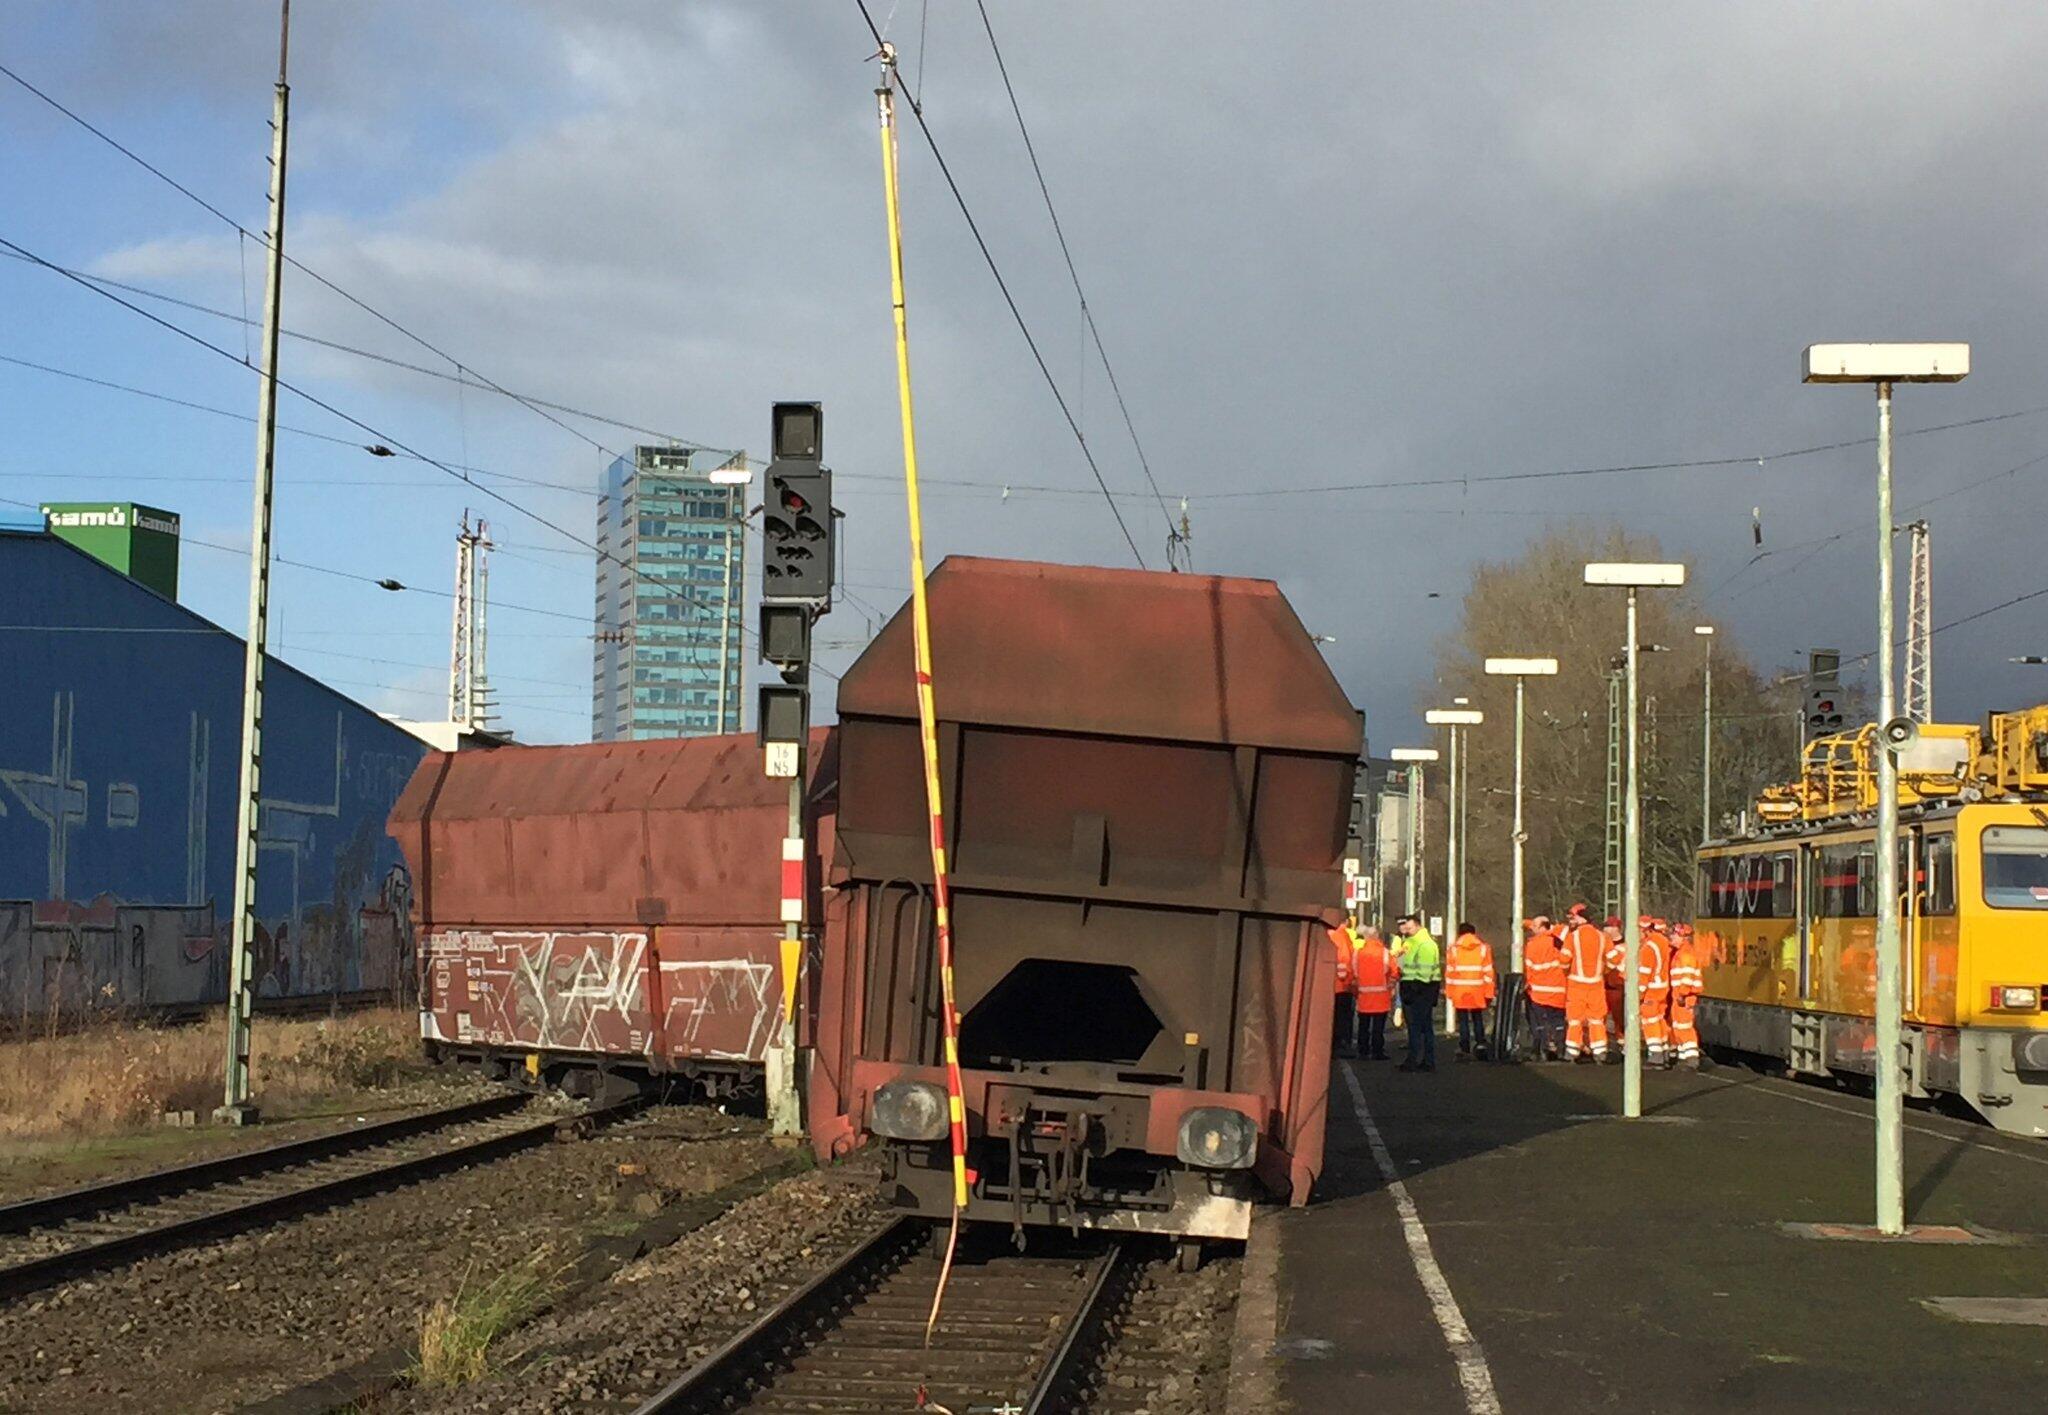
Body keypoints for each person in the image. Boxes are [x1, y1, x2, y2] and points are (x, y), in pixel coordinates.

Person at [1392, 915, 1442, 1072]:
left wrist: (1413, 988)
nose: (1406, 929)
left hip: (1420, 991)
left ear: (1418, 926)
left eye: (1410, 927)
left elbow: (1425, 973)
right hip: (1416, 989)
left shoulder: (1425, 944)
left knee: (1418, 1027)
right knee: (1422, 1027)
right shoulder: (1411, 943)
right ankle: (1423, 1060)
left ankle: (1417, 1060)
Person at [1561, 904, 1611, 1063]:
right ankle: (1600, 1051)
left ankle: (1572, 1051)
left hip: (1577, 984)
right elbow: (1615, 959)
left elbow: (1564, 960)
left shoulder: (1573, 937)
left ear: (1581, 918)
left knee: (1575, 1020)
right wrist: (1604, 971)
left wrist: (1567, 972)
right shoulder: (1602, 937)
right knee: (1596, 1020)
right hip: (1596, 984)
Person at [1444, 922, 1496, 1060]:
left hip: (1460, 991)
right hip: (1477, 989)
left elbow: (1449, 973)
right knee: (1477, 1018)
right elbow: (1488, 973)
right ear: (1474, 933)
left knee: (1463, 1020)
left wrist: (1449, 992)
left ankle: (1464, 1046)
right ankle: (1480, 1043)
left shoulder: (1453, 949)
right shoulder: (1483, 948)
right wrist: (1489, 993)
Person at [1522, 915, 1568, 1060]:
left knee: (1541, 1023)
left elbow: (1529, 969)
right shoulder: (1558, 941)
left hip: (1539, 992)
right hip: (1559, 990)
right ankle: (1560, 1049)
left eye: (1535, 927)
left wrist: (1527, 986)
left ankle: (1543, 1048)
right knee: (1558, 1022)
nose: (1532, 929)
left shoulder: (1533, 945)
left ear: (1542, 927)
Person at [1353, 924, 1398, 1060]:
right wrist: (1391, 986)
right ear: (1377, 936)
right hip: (1381, 997)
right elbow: (1394, 972)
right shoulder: (1385, 953)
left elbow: (1352, 974)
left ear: (1366, 937)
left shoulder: (1357, 954)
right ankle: (1377, 1051)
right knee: (1378, 1027)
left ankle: (1363, 1051)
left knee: (1363, 1026)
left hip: (1363, 997)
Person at [1667, 922, 1704, 1069]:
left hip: (1684, 997)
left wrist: (1682, 994)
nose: (1672, 938)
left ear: (1682, 937)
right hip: (1679, 997)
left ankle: (1691, 1059)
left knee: (1684, 1027)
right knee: (1679, 1027)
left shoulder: (1686, 954)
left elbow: (1687, 978)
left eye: (1674, 935)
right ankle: (1684, 1058)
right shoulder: (1681, 953)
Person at [1637, 916, 1672, 1067]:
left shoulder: (1649, 947)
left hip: (1651, 989)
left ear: (1645, 930)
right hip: (1663, 988)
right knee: (1659, 1020)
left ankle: (1655, 1056)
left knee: (1650, 1021)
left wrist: (1639, 994)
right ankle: (1665, 1052)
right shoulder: (1664, 942)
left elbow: (1645, 973)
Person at [1326, 912, 1360, 1058]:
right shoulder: (1341, 936)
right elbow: (1345, 959)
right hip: (1342, 986)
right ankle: (1340, 1045)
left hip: (1333, 985)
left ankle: (1335, 1043)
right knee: (1343, 1017)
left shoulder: (1330, 933)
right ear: (1345, 921)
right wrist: (1347, 979)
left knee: (1336, 1016)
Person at [1601, 915, 1627, 1063]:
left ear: (1615, 928)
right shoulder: (1606, 943)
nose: (1605, 929)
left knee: (1619, 1020)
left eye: (1608, 926)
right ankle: (1614, 1045)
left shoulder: (1624, 946)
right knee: (1604, 1018)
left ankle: (1622, 1046)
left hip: (1619, 986)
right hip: (1607, 986)